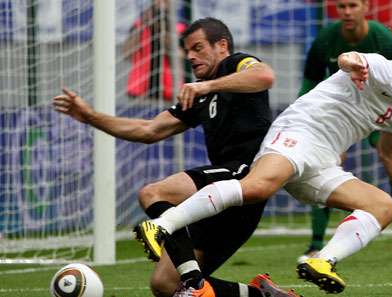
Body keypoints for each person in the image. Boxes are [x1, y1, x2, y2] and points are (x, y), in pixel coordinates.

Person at [139, 28, 392, 294]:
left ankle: (321, 261)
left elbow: (390, 154)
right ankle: (163, 224)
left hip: (323, 161)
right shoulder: (377, 65)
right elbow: (349, 58)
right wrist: (350, 64)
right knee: (257, 188)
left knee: (382, 206)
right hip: (300, 132)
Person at [54, 17, 299, 297]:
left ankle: (194, 283)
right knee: (164, 285)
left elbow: (265, 76)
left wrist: (206, 86)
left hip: (246, 175)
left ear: (221, 46)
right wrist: (89, 116)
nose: (191, 56)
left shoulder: (236, 64)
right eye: (187, 50)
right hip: (222, 202)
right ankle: (262, 294)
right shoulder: (200, 93)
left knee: (154, 192)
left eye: (197, 47)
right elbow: (148, 129)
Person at [297, 0, 392, 264]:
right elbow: (309, 84)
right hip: (342, 118)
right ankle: (315, 245)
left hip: (383, 116)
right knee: (321, 167)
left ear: (366, 7)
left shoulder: (384, 40)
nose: (347, 12)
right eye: (342, 6)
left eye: (352, 5)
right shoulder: (325, 39)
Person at [123, 0, 182, 101]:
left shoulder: (178, 27)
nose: (162, 3)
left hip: (169, 91)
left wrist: (159, 28)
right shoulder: (139, 25)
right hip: (140, 90)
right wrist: (143, 25)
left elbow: (180, 55)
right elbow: (127, 53)